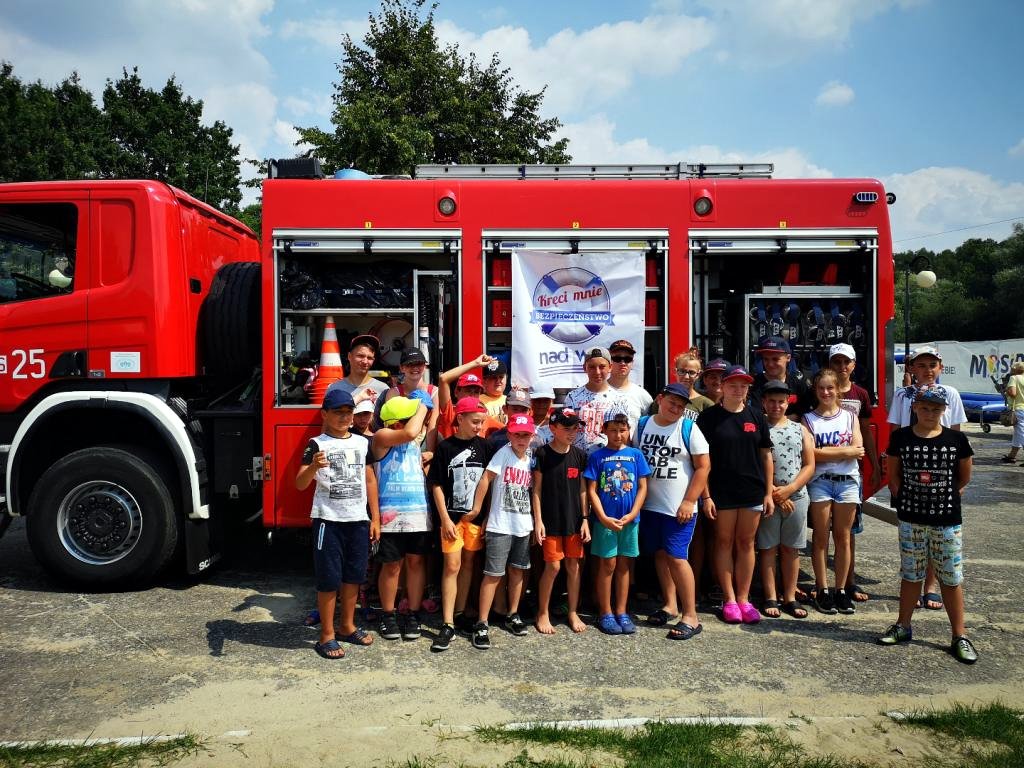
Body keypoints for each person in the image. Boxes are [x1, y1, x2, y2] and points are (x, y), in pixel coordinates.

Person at [878, 386, 977, 664]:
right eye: (924, 408)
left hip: (946, 520)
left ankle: (959, 635)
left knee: (951, 577)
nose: (930, 413)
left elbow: (964, 477)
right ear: (915, 408)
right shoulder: (900, 437)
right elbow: (893, 475)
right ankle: (903, 625)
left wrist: (944, 497)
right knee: (911, 574)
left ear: (944, 410)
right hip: (911, 519)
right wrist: (906, 499)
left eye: (935, 409)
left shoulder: (957, 439)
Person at [295, 388, 380, 659]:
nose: (344, 417)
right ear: (325, 414)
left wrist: (375, 518)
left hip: (358, 520)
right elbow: (299, 483)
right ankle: (326, 635)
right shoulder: (316, 443)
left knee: (354, 576)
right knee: (329, 578)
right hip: (328, 521)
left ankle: (347, 626)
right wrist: (313, 467)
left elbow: (369, 480)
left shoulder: (362, 443)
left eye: (348, 412)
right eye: (338, 412)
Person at [887, 345, 967, 610]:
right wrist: (894, 481)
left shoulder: (950, 394)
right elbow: (895, 430)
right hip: (909, 472)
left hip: (940, 476)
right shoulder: (902, 395)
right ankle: (912, 585)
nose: (927, 370)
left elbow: (957, 436)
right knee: (913, 534)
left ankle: (930, 587)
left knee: (938, 533)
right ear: (912, 368)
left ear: (940, 368)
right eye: (921, 365)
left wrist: (956, 483)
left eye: (932, 365)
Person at [696, 365, 774, 625]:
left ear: (748, 389)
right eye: (732, 385)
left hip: (752, 491)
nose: (738, 389)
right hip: (721, 492)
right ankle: (728, 599)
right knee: (723, 542)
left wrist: (768, 493)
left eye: (743, 385)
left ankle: (744, 599)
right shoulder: (708, 418)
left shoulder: (757, 416)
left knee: (746, 543)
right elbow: (701, 460)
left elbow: (766, 456)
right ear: (723, 386)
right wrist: (706, 496)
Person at [634, 384, 710, 640]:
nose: (675, 409)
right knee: (660, 554)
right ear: (660, 399)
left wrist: (690, 501)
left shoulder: (688, 428)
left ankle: (691, 616)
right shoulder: (642, 425)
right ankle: (670, 605)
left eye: (680, 406)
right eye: (671, 403)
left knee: (677, 558)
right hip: (649, 506)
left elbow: (703, 467)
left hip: (678, 508)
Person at [427, 397, 493, 651]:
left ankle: (460, 612)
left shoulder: (485, 447)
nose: (479, 427)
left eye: (482, 422)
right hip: (452, 519)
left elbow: (490, 483)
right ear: (460, 418)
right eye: (475, 421)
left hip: (475, 519)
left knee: (468, 563)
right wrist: (444, 518)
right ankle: (447, 623)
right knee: (452, 565)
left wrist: (485, 516)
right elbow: (436, 484)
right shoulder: (446, 447)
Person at [469, 413, 536, 649]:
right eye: (517, 435)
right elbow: (486, 479)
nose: (521, 439)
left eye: (526, 435)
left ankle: (513, 613)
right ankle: (482, 622)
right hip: (501, 524)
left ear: (532, 436)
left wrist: (536, 521)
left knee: (517, 571)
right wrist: (479, 508)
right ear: (509, 435)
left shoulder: (531, 458)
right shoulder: (503, 453)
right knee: (493, 574)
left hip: (523, 524)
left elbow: (534, 491)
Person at [371, 393, 432, 641]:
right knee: (392, 565)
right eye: (411, 417)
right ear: (398, 422)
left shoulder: (414, 440)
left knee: (416, 563)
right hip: (390, 516)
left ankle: (413, 613)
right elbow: (409, 432)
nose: (417, 421)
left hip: (418, 512)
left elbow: (416, 432)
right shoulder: (381, 437)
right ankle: (388, 614)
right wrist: (423, 405)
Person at [803, 369, 863, 615]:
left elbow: (858, 450)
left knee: (843, 537)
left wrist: (827, 451)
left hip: (847, 481)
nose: (826, 392)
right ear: (815, 391)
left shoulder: (850, 417)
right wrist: (844, 452)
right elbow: (810, 454)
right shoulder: (808, 419)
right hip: (820, 481)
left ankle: (841, 590)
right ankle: (823, 589)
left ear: (838, 390)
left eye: (830, 388)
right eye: (821, 388)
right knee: (820, 537)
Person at [586, 412, 652, 635]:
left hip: (630, 521)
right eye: (613, 430)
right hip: (605, 522)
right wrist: (603, 517)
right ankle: (605, 612)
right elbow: (591, 490)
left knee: (624, 566)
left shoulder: (636, 455)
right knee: (607, 565)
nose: (618, 435)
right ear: (604, 430)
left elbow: (643, 487)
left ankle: (622, 611)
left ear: (629, 431)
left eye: (622, 430)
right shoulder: (597, 456)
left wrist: (633, 513)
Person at [757, 381, 814, 619]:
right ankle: (771, 596)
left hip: (797, 496)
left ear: (788, 402)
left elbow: (809, 465)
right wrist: (773, 492)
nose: (776, 406)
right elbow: (755, 463)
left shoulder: (800, 429)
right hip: (769, 497)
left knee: (791, 549)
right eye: (771, 401)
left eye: (781, 401)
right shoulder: (758, 428)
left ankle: (790, 596)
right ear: (763, 402)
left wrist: (789, 490)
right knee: (768, 548)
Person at [828, 342, 881, 602]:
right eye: (836, 362)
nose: (841, 366)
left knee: (849, 532)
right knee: (821, 533)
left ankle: (848, 582)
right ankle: (823, 585)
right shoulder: (822, 390)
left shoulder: (861, 394)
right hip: (823, 471)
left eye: (845, 362)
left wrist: (875, 465)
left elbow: (867, 432)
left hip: (851, 472)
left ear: (853, 365)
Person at [532, 409, 590, 634]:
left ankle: (572, 611)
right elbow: (536, 490)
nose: (572, 433)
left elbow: (583, 490)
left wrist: (585, 519)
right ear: (553, 429)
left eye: (575, 428)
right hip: (551, 521)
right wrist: (538, 521)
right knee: (553, 566)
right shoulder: (542, 454)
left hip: (574, 521)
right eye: (567, 428)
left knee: (573, 566)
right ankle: (542, 612)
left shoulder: (580, 455)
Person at [563, 346, 630, 455]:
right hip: (577, 459)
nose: (597, 372)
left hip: (607, 459)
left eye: (602, 367)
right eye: (592, 367)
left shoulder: (619, 399)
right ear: (584, 368)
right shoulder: (572, 397)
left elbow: (624, 434)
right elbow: (564, 430)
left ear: (610, 367)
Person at [378, 348, 439, 444]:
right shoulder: (394, 392)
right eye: (410, 364)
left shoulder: (434, 391)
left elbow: (432, 426)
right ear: (402, 368)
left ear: (425, 366)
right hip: (400, 442)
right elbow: (391, 425)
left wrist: (430, 450)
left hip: (425, 441)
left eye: (419, 364)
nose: (415, 368)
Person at [436, 354, 502, 442]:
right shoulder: (450, 413)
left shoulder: (484, 418)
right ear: (456, 392)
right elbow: (443, 378)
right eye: (468, 390)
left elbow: (509, 430)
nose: (472, 395)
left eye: (476, 392)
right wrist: (475, 363)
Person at [750, 336, 810, 416]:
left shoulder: (799, 386)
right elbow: (753, 416)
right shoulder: (753, 385)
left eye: (775, 359)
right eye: (766, 359)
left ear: (788, 358)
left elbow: (806, 416)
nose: (770, 364)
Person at [325, 334, 390, 406]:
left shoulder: (383, 389)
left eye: (369, 358)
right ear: (349, 356)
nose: (365, 361)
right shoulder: (334, 389)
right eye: (360, 356)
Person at [607, 339, 653, 426]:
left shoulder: (643, 395)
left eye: (627, 359)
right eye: (617, 358)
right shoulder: (597, 391)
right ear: (609, 361)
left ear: (632, 363)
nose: (623, 363)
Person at [672, 349, 716, 419]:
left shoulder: (706, 404)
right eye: (682, 371)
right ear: (675, 371)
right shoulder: (663, 399)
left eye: (691, 373)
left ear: (698, 375)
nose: (686, 377)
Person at [486, 387, 532, 451]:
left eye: (524, 410)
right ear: (505, 409)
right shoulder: (495, 438)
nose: (519, 414)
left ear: (530, 412)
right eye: (515, 409)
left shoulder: (535, 438)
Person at [1001, 361, 1024, 465]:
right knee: (1018, 433)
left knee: (1021, 433)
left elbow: (1013, 393)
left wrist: (1006, 390)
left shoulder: (1014, 378)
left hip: (1018, 409)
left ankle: (1012, 456)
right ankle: (1012, 455)